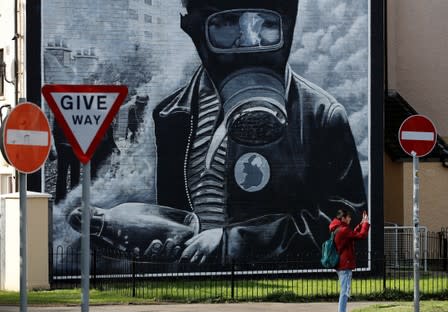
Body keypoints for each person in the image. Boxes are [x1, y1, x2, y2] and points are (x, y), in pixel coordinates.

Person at [67, 0, 367, 266]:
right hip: (193, 295)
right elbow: (177, 224)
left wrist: (233, 243)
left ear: (286, 27)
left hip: (267, 291)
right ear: (193, 29)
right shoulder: (172, 116)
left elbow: (347, 225)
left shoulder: (321, 116)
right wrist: (136, 232)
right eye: (225, 23)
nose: (247, 42)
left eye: (265, 24)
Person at [329, 209, 370, 312]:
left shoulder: (337, 229)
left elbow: (352, 234)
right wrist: (366, 223)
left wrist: (361, 224)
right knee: (345, 290)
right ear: (343, 218)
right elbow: (361, 236)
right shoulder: (343, 230)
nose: (350, 219)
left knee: (344, 289)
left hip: (341, 264)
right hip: (345, 265)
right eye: (348, 217)